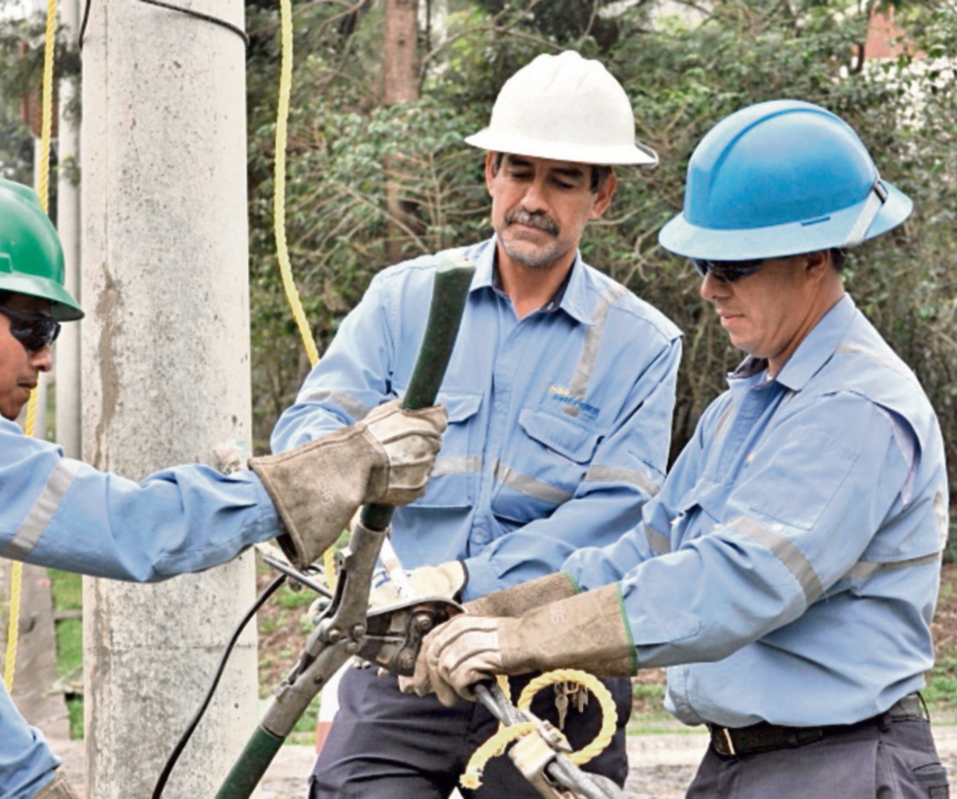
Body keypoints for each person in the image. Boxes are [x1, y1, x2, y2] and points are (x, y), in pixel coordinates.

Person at [0, 175, 446, 799]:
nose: (45, 358)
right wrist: (323, 473)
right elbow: (129, 527)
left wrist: (43, 790)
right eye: (34, 328)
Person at [411, 100, 951, 799]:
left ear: (816, 257)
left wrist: (524, 640)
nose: (708, 287)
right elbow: (639, 555)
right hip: (739, 763)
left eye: (734, 266)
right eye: (704, 262)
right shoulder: (740, 410)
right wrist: (485, 608)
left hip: (835, 764)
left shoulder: (856, 409)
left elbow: (731, 583)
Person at [270, 51, 682, 797]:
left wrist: (466, 579)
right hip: (402, 664)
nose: (533, 198)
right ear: (490, 170)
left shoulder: (641, 345)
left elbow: (616, 515)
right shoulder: (406, 301)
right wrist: (352, 467)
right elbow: (310, 424)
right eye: (520, 170)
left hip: (552, 674)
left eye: (563, 180)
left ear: (604, 196)